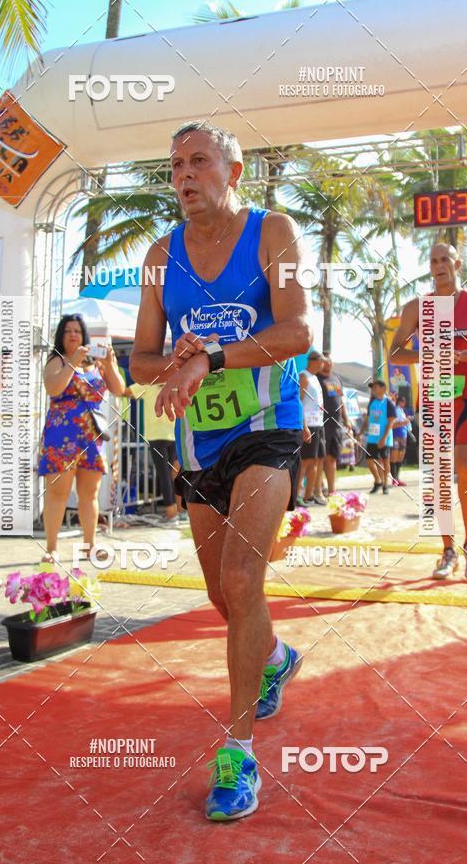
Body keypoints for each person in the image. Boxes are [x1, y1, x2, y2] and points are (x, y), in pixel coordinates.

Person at [130, 120, 312, 821]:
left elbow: (298, 332)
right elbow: (139, 362)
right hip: (199, 440)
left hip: (268, 425)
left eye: (199, 160)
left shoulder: (274, 233)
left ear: (233, 171)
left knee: (243, 577)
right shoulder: (157, 256)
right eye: (175, 164)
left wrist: (213, 355)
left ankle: (238, 755)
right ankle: (273, 657)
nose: (184, 174)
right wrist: (173, 364)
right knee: (221, 596)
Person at [390, 242, 467, 582]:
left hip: (466, 395)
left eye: (445, 259)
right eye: (433, 261)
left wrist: (461, 355)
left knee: (466, 469)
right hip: (433, 396)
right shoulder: (418, 307)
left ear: (457, 263)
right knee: (438, 479)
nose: (439, 265)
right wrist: (426, 354)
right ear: (430, 267)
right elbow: (396, 352)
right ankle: (447, 550)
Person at [38, 315, 125, 564]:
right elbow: (54, 388)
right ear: (61, 336)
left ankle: (90, 545)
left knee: (90, 493)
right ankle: (52, 547)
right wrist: (72, 364)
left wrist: (110, 364)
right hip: (61, 435)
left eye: (77, 330)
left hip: (90, 436)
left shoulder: (97, 364)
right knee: (58, 492)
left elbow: (119, 389)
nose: (73, 335)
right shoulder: (56, 361)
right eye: (68, 331)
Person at [123, 382, 185, 524]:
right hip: (173, 434)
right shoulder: (174, 383)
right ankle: (177, 511)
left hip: (156, 436)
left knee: (164, 475)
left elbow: (125, 391)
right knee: (172, 474)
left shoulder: (149, 384)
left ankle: (171, 513)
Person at [313, 353, 352, 496]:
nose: (328, 362)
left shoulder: (337, 379)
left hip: (336, 425)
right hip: (321, 423)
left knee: (332, 458)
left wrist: (346, 419)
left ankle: (332, 491)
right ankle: (318, 490)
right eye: (324, 360)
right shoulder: (315, 378)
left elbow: (341, 402)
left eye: (329, 359)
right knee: (319, 459)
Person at [297, 350, 326, 505]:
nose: (324, 364)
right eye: (322, 361)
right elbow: (298, 402)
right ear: (315, 361)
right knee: (306, 462)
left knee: (317, 460)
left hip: (319, 424)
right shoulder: (304, 377)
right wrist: (304, 426)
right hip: (309, 424)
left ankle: (310, 495)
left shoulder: (315, 378)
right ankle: (297, 495)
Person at [359, 379, 396, 494]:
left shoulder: (388, 403)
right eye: (372, 388)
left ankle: (385, 484)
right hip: (372, 437)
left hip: (384, 437)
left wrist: (384, 438)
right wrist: (360, 433)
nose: (373, 390)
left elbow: (391, 421)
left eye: (376, 387)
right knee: (370, 460)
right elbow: (367, 419)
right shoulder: (372, 402)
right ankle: (377, 481)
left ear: (383, 388)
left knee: (385, 461)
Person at [391, 394, 412, 486]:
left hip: (403, 436)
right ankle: (394, 479)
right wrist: (405, 422)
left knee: (400, 456)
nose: (404, 404)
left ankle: (397, 478)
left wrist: (406, 423)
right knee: (394, 457)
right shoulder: (395, 410)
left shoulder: (401, 411)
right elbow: (393, 424)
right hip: (396, 435)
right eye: (403, 402)